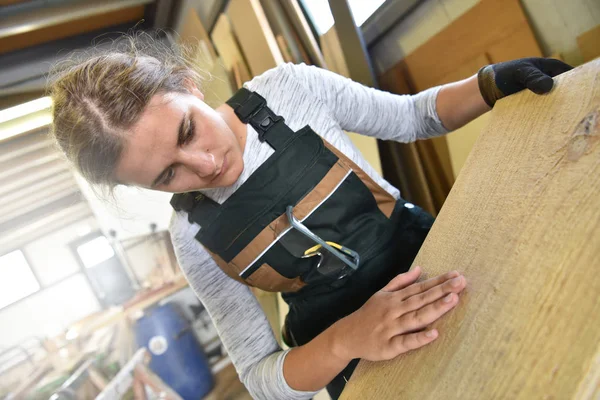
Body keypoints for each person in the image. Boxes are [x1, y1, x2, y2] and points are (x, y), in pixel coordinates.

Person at [48, 34, 571, 399]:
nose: (205, 167)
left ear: (188, 86)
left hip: (450, 271)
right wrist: (349, 339)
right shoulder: (193, 237)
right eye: (167, 176)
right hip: (369, 367)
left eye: (188, 132)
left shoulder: (289, 91)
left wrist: (488, 84)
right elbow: (259, 377)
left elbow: (415, 116)